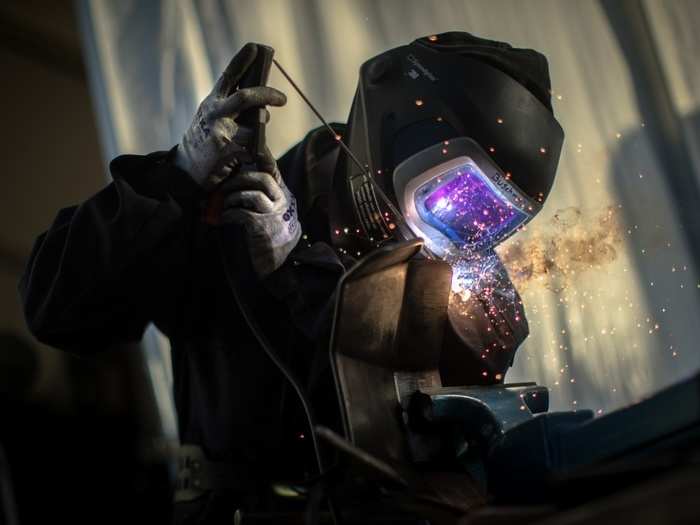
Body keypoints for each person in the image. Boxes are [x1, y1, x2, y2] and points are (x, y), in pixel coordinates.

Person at [19, 33, 562, 523]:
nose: (460, 226)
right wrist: (177, 177)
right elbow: (56, 309)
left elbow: (409, 396)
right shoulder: (222, 210)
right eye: (452, 196)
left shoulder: (468, 280)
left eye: (488, 217)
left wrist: (294, 268)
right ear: (401, 132)